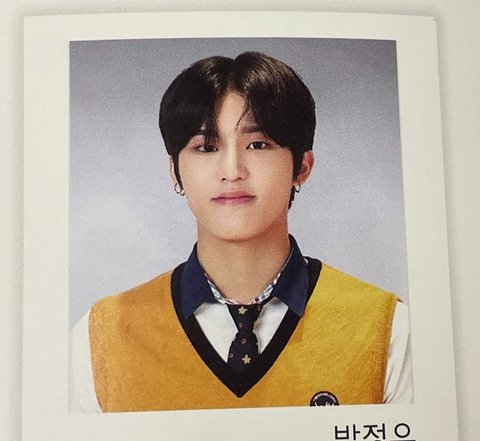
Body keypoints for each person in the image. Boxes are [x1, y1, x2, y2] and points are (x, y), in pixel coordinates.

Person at [70, 51, 412, 413]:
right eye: (206, 147)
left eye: (258, 145)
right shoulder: (102, 336)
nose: (232, 171)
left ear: (302, 167)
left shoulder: (385, 328)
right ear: (175, 172)